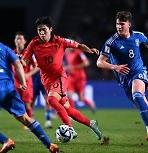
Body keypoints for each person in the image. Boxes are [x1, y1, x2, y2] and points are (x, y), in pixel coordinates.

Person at [0, 22, 58, 153]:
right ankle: (50, 144)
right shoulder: (5, 48)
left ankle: (6, 141)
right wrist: (23, 82)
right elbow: (17, 63)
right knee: (25, 118)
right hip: (9, 86)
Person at [21, 16, 102, 141]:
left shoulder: (60, 41)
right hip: (46, 82)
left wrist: (89, 50)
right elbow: (25, 61)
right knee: (68, 110)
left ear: (50, 29)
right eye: (39, 30)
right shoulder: (34, 43)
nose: (41, 32)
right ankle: (91, 124)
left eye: (44, 29)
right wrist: (19, 61)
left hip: (60, 77)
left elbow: (78, 46)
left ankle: (70, 128)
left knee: (51, 100)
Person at [96, 11, 148, 140]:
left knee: (137, 95)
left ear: (129, 24)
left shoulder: (138, 36)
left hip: (138, 72)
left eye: (122, 24)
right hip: (124, 79)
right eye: (117, 24)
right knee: (140, 102)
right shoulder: (112, 42)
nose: (119, 27)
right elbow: (99, 62)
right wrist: (115, 67)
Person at [64, 35, 96, 112]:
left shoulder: (78, 53)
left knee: (80, 98)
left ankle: (90, 103)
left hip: (80, 77)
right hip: (71, 77)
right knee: (69, 95)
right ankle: (73, 113)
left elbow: (86, 63)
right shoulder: (67, 53)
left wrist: (73, 67)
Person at [13, 31, 35, 119]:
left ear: (25, 41)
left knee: (27, 103)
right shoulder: (11, 52)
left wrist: (28, 74)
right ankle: (27, 119)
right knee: (16, 103)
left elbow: (37, 66)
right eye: (17, 38)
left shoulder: (29, 53)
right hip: (15, 81)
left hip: (26, 81)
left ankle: (30, 121)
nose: (18, 41)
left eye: (20, 39)